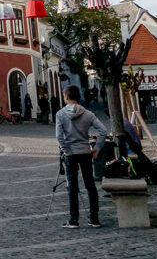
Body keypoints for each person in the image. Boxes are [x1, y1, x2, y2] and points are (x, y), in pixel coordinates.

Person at [56, 85, 108, 229]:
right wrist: (97, 148)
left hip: (70, 154)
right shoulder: (88, 114)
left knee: (72, 186)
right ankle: (94, 218)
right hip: (85, 151)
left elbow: (59, 136)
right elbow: (103, 130)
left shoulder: (60, 114)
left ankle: (74, 220)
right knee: (90, 185)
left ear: (66, 97)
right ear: (78, 97)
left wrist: (66, 149)